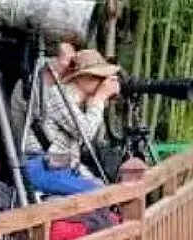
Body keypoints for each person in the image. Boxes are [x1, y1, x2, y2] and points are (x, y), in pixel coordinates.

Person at [18, 47, 120, 196]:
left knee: (104, 189)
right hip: (39, 167)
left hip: (56, 167)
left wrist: (92, 179)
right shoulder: (59, 95)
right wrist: (99, 99)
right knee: (101, 195)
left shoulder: (76, 103)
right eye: (101, 77)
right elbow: (85, 133)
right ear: (84, 78)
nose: (104, 83)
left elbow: (71, 160)